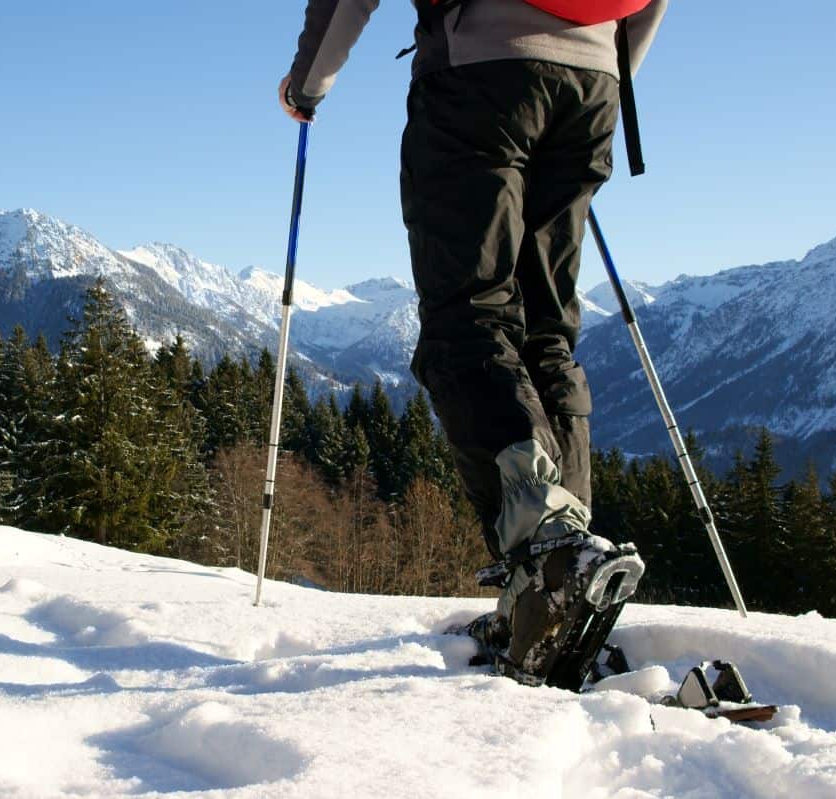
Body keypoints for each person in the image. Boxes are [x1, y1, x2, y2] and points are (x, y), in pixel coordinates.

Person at [279, 0, 665, 684]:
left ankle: (550, 565)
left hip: (480, 73)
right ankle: (556, 585)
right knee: (548, 327)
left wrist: (308, 82)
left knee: (468, 315)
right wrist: (600, 60)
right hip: (596, 82)